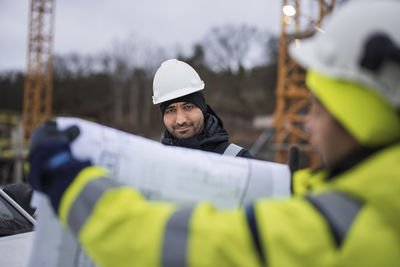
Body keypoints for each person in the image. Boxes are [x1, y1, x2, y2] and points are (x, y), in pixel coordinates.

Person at [28, 0, 400, 266]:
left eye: (317, 107)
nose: (307, 123)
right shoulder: (365, 196)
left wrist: (75, 186)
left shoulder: (344, 228)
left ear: (359, 116)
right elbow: (315, 196)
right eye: (170, 110)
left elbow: (197, 245)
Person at [153, 59, 253, 158]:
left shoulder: (237, 159)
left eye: (188, 107)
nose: (180, 120)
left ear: (203, 108)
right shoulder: (157, 162)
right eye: (171, 110)